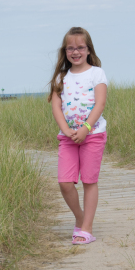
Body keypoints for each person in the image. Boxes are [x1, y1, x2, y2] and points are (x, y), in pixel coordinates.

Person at [48, 27, 107, 244]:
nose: (75, 52)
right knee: (65, 182)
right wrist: (66, 130)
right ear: (64, 52)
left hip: (93, 135)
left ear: (88, 49)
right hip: (68, 138)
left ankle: (87, 229)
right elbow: (56, 107)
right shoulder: (61, 77)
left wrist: (86, 129)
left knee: (89, 181)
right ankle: (80, 218)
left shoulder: (96, 73)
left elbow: (100, 103)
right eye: (70, 48)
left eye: (80, 47)